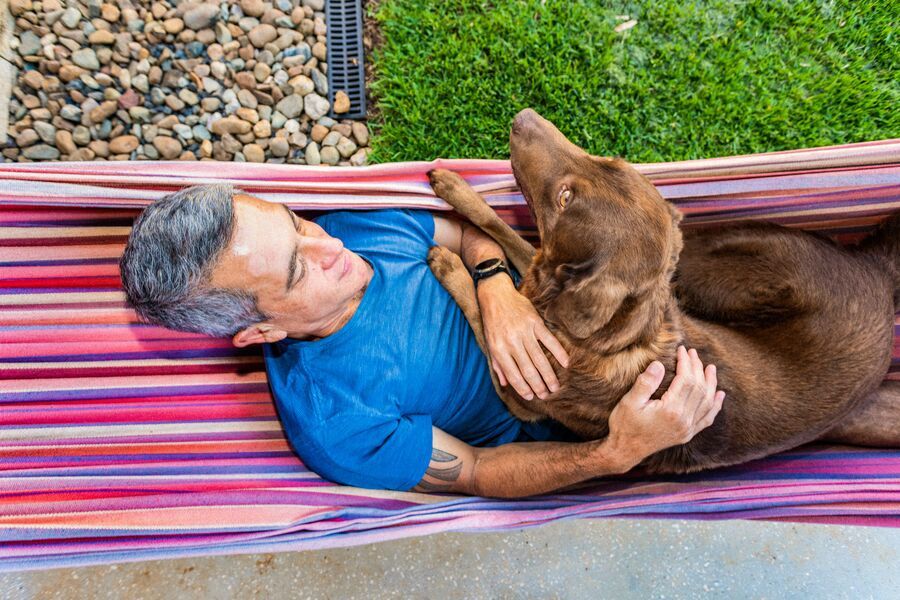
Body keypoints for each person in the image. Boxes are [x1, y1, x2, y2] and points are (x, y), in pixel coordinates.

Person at [119, 184, 724, 498]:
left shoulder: (353, 227)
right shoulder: (337, 421)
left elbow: (461, 234)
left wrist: (494, 288)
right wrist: (615, 454)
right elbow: (479, 472)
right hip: (596, 415)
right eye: (297, 270)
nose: (329, 244)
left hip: (604, 307)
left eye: (297, 223)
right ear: (262, 331)